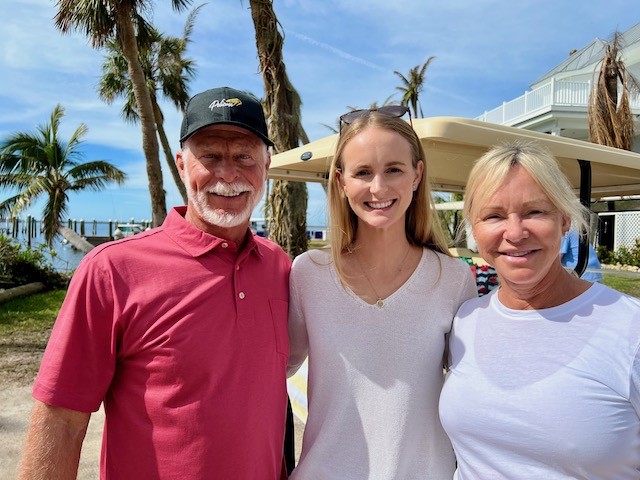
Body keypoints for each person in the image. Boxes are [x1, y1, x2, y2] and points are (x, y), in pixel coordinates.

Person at [19, 87, 292, 479]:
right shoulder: (112, 269)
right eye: (210, 156)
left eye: (244, 156)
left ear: (266, 164)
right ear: (181, 165)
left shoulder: (279, 267)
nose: (228, 173)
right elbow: (61, 418)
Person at [287, 106, 477, 478]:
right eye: (363, 172)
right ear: (341, 181)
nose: (378, 187)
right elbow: (270, 370)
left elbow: (473, 391)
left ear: (417, 175)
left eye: (393, 169)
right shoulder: (307, 273)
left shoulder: (453, 279)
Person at [439, 142, 640, 479]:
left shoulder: (630, 329)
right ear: (474, 228)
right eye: (494, 216)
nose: (515, 233)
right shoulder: (464, 320)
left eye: (534, 212)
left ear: (564, 219)